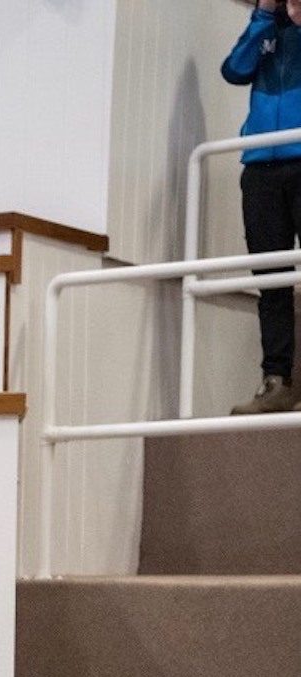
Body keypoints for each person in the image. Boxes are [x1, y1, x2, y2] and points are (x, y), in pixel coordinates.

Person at [224, 0, 301, 414]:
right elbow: (234, 70)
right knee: (271, 277)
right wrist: (263, 16)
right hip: (259, 167)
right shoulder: (266, 25)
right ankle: (277, 381)